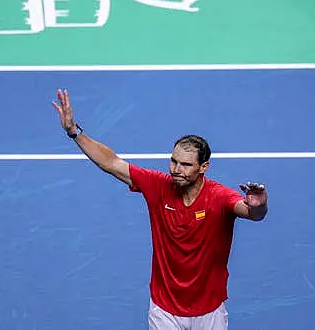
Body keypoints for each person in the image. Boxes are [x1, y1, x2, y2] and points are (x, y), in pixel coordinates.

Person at [52, 88, 269, 330]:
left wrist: (259, 206)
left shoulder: (219, 196)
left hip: (209, 311)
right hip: (164, 310)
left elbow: (251, 213)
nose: (176, 169)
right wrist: (74, 132)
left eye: (186, 164)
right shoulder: (157, 185)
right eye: (173, 161)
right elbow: (112, 163)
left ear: (203, 167)